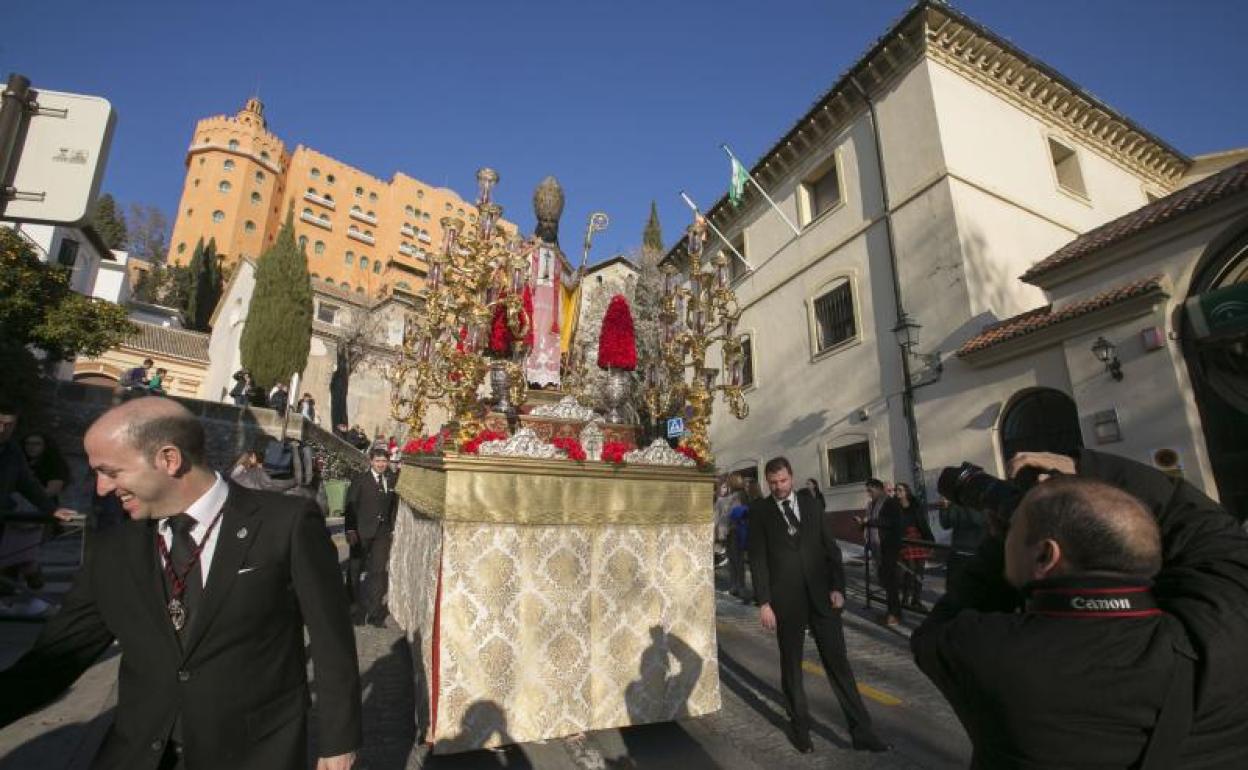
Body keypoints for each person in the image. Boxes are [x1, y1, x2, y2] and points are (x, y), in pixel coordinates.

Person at [0, 398, 361, 770]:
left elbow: (330, 638)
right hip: (138, 753)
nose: (102, 489)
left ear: (169, 459)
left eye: (110, 471)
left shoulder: (286, 523)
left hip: (252, 752)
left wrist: (339, 743)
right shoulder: (113, 550)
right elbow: (53, 661)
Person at [912, 450, 1248, 769]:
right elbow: (1200, 523)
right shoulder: (1226, 629)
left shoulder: (991, 655)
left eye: (1015, 533)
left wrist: (1002, 537)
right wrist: (1084, 467)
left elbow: (943, 623)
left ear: (1046, 556)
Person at [748, 457, 889, 754]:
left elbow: (830, 548)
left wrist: (838, 586)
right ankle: (800, 729)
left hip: (822, 597)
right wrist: (764, 602)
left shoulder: (811, 504)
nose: (778, 487)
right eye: (772, 483)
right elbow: (758, 558)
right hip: (785, 602)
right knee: (792, 666)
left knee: (839, 664)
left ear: (792, 477)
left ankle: (863, 733)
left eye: (783, 481)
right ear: (767, 482)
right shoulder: (759, 511)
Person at [6, 432, 72, 590]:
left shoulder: (52, 465)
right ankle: (11, 595)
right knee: (12, 556)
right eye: (29, 443)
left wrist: (29, 491)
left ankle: (32, 596)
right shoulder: (17, 462)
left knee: (27, 557)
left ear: (45, 447)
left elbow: (52, 489)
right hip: (14, 516)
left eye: (37, 444)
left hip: (39, 517)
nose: (32, 447)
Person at [344, 448, 397, 627]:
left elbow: (393, 506)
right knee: (355, 570)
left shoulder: (391, 480)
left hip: (382, 534)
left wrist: (392, 527)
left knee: (378, 573)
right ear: (371, 461)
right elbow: (350, 505)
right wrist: (350, 530)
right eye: (378, 461)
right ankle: (354, 609)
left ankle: (375, 614)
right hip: (360, 533)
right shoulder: (360, 480)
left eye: (384, 461)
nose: (381, 464)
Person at [857, 478, 903, 625]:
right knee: (884, 581)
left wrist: (869, 522)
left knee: (891, 582)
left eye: (870, 490)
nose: (869, 493)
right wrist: (863, 525)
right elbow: (871, 524)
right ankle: (890, 611)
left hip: (889, 546)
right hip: (877, 547)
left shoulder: (890, 502)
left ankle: (895, 613)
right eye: (867, 491)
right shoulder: (871, 505)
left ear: (878, 489)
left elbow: (892, 523)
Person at [894, 482, 934, 611]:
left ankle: (916, 600)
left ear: (906, 491)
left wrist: (930, 541)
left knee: (920, 571)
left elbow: (922, 523)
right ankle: (905, 598)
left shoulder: (915, 505)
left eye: (900, 490)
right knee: (909, 571)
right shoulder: (894, 506)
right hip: (904, 540)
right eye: (896, 490)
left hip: (918, 539)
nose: (897, 492)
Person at [937, 495, 987, 588]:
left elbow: (977, 520)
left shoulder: (979, 500)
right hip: (957, 551)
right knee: (953, 587)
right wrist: (944, 508)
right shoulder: (956, 502)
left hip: (975, 551)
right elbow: (946, 524)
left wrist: (965, 502)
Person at [726, 480, 754, 601]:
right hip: (734, 531)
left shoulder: (739, 496)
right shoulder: (737, 496)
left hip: (737, 531)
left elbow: (734, 514)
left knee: (737, 560)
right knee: (734, 560)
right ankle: (735, 586)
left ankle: (739, 586)